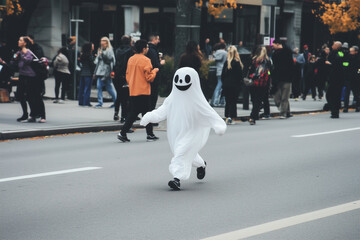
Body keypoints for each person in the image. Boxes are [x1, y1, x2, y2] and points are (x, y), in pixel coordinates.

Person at [139, 67, 227, 190]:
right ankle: (201, 165)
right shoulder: (172, 98)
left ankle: (177, 178)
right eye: (178, 79)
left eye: (186, 79)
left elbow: (210, 114)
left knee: (181, 152)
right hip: (177, 132)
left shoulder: (198, 100)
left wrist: (219, 126)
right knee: (185, 152)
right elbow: (162, 111)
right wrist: (149, 117)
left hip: (194, 132)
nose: (181, 82)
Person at [117, 39, 159, 142]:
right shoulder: (146, 60)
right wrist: (155, 70)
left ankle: (149, 134)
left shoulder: (131, 59)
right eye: (147, 47)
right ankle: (125, 132)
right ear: (144, 49)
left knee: (138, 112)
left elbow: (127, 75)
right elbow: (149, 78)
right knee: (143, 113)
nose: (148, 49)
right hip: (144, 90)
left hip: (133, 90)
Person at [10, 36, 46, 123]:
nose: (18, 41)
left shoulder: (31, 51)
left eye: (20, 40)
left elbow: (29, 61)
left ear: (26, 42)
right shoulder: (18, 52)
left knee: (34, 96)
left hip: (33, 76)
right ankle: (27, 114)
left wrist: (21, 57)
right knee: (21, 95)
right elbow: (15, 64)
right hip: (23, 75)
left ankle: (41, 115)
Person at [248, 46, 272, 125]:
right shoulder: (267, 61)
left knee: (254, 100)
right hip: (263, 84)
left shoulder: (254, 60)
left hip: (253, 82)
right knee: (258, 101)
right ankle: (253, 116)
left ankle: (254, 115)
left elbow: (250, 71)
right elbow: (270, 72)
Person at [272, 39, 294, 119]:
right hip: (277, 78)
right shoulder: (274, 54)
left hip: (286, 77)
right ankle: (286, 111)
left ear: (278, 44)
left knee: (285, 96)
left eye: (273, 44)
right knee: (276, 96)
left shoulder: (287, 51)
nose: (272, 46)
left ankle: (283, 112)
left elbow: (291, 65)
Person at [221, 45, 243, 125]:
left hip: (226, 85)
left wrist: (224, 83)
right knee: (233, 102)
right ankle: (232, 117)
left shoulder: (226, 63)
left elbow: (222, 75)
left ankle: (227, 116)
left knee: (228, 101)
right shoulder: (237, 63)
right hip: (234, 85)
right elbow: (240, 76)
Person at [113, 35, 134, 122]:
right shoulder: (130, 51)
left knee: (119, 95)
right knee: (127, 98)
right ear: (130, 41)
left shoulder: (117, 50)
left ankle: (116, 112)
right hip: (126, 76)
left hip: (118, 75)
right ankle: (124, 116)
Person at [94, 37, 117, 108]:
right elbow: (98, 62)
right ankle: (100, 102)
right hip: (100, 71)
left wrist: (102, 55)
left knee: (109, 88)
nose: (101, 42)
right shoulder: (100, 49)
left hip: (106, 72)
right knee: (99, 87)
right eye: (101, 41)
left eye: (103, 41)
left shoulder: (109, 50)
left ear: (107, 42)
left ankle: (116, 102)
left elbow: (110, 60)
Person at [147, 34, 165, 111]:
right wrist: (161, 63)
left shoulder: (148, 49)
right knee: (153, 96)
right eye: (157, 39)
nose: (159, 41)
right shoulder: (152, 50)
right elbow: (155, 65)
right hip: (153, 76)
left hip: (148, 75)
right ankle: (151, 116)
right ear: (153, 39)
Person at [326, 41, 344, 118]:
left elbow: (338, 63)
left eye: (333, 45)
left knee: (332, 95)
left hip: (335, 77)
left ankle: (334, 111)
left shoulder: (336, 53)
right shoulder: (340, 53)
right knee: (335, 95)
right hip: (338, 78)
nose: (332, 46)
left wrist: (330, 64)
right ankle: (335, 110)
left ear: (336, 46)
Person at [78, 42, 95, 107]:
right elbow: (92, 65)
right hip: (88, 73)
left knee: (81, 88)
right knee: (87, 88)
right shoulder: (90, 56)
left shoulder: (82, 55)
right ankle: (86, 102)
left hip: (82, 73)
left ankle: (81, 101)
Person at [210, 42, 227, 107]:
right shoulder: (225, 53)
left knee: (219, 84)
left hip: (218, 70)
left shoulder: (216, 52)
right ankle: (218, 101)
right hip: (223, 71)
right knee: (220, 86)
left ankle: (214, 100)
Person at [344, 46, 360, 112]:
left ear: (356, 52)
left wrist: (358, 72)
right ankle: (346, 106)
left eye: (352, 51)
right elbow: (345, 65)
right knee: (347, 93)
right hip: (348, 77)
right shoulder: (347, 57)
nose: (350, 52)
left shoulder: (358, 58)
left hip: (356, 77)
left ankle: (357, 106)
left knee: (356, 93)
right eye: (350, 51)